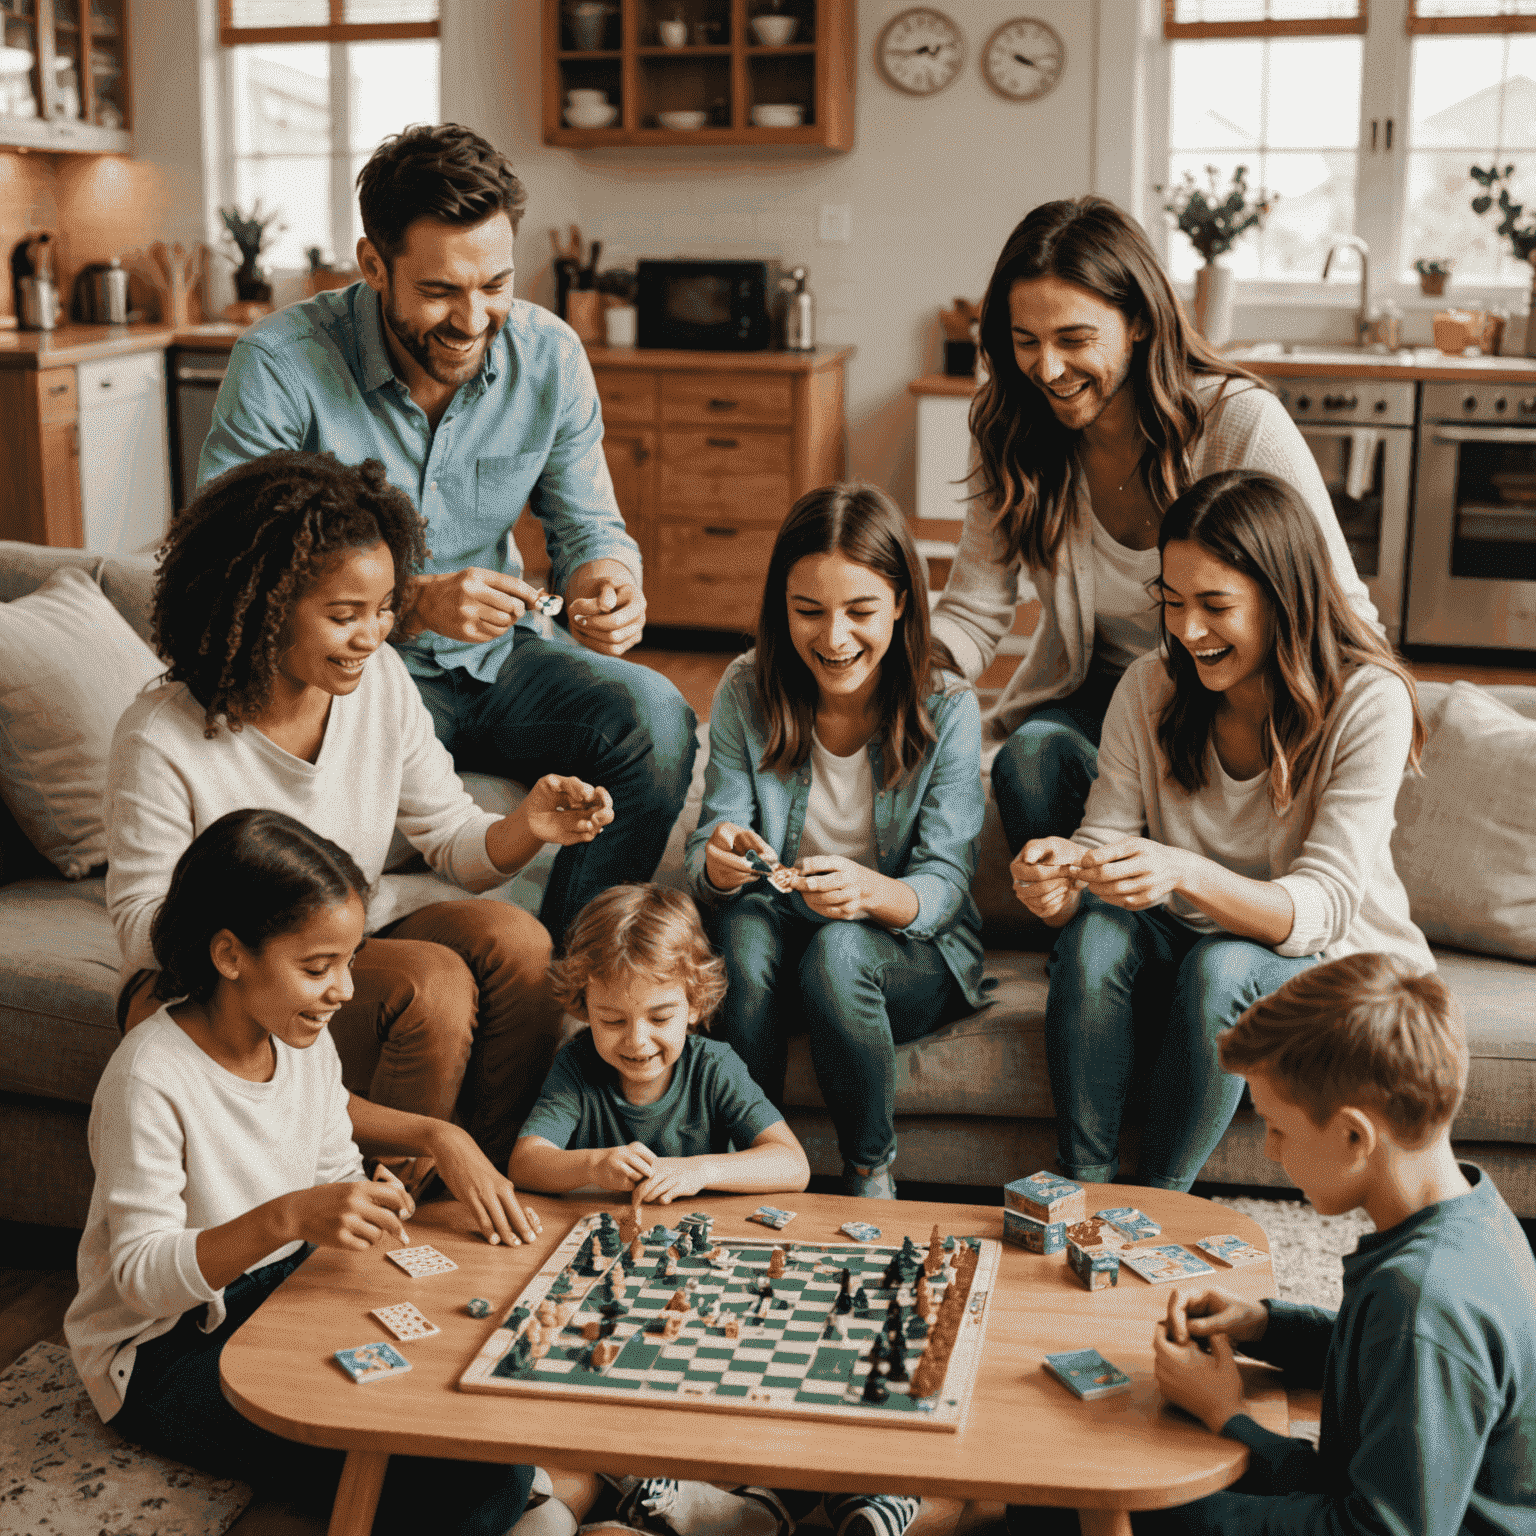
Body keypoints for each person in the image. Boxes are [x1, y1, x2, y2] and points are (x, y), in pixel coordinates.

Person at [197, 122, 696, 946]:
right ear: (372, 265)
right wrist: (414, 604)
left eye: (494, 283)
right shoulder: (282, 364)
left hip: (504, 661)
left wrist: (606, 583)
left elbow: (588, 526)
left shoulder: (550, 355)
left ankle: (574, 976)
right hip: (354, 676)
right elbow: (232, 565)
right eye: (438, 292)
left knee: (659, 720)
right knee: (295, 836)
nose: (473, 319)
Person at [107, 451, 605, 1177]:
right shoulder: (161, 736)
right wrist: (271, 931)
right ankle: (373, 1212)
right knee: (431, 986)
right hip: (202, 975)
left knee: (521, 945)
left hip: (343, 936)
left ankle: (489, 1176)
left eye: (382, 611)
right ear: (267, 604)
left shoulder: (379, 683)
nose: (372, 636)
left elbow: (453, 843)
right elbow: (138, 923)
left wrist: (528, 825)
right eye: (344, 616)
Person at [65, 808, 540, 1533]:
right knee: (467, 1494)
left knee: (489, 1429)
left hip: (280, 1286)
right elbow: (138, 1275)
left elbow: (334, 1167)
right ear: (230, 955)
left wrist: (364, 1204)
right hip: (161, 1351)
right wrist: (293, 1215)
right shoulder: (149, 1077)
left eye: (350, 961)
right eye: (319, 968)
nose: (346, 989)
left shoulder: (301, 1042)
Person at [1011, 469, 1431, 1193]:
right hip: (1187, 935)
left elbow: (1322, 908)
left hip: (1329, 955)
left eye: (1215, 605)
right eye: (1172, 602)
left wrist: (1180, 869)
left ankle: (1156, 1209)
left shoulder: (1369, 699)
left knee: (1222, 969)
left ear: (1283, 597)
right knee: (1094, 935)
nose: (1187, 630)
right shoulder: (1150, 686)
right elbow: (1102, 837)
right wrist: (1061, 878)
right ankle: (1081, 1191)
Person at [930, 196, 1380, 857]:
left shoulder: (1239, 423)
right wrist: (911, 674)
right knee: (1029, 758)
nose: (1047, 369)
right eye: (1026, 342)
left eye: (1074, 340)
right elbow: (973, 605)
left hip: (1229, 700)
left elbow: (1341, 610)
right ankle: (1092, 924)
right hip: (1097, 698)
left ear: (1138, 319)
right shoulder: (1010, 428)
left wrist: (1364, 729)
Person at [508, 883, 926, 1536]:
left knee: (777, 1378)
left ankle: (800, 1492)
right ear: (582, 1005)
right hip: (616, 1286)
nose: (636, 1040)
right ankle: (691, 1496)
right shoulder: (576, 1070)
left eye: (659, 1016)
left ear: (695, 1004)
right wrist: (593, 1164)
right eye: (611, 1019)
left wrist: (700, 1169)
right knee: (596, 1390)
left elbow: (792, 1164)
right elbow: (527, 1160)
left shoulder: (714, 1065)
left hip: (706, 1281)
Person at [1143, 953, 1534, 1534]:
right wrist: (1263, 1325)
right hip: (1400, 1496)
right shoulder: (1473, 1213)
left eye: (1278, 1128)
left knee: (1118, 1507)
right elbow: (1389, 1367)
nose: (1271, 1151)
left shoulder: (1423, 1301)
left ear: (1354, 1135)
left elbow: (1376, 1528)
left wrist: (1231, 1419)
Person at [686, 484, 988, 1201]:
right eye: (808, 612)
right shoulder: (746, 688)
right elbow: (708, 849)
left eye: (860, 612)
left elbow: (945, 882)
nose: (834, 639)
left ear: (902, 604)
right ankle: (752, 1155)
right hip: (780, 933)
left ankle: (868, 1170)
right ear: (779, 607)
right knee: (747, 933)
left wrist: (870, 891)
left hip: (904, 949)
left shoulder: (947, 704)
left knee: (839, 948)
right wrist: (721, 861)